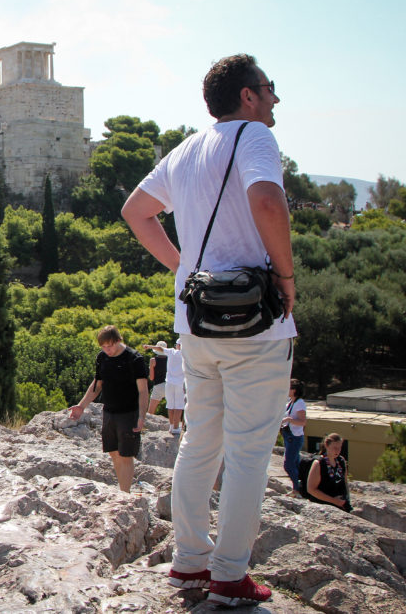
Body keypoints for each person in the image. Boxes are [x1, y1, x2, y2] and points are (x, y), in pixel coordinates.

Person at [121, 53, 296, 607]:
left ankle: (189, 562)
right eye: (269, 88)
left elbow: (135, 210)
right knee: (247, 453)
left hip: (196, 321)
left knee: (200, 441)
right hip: (256, 324)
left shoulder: (188, 149)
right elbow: (267, 200)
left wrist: (181, 268)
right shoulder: (256, 137)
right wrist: (287, 277)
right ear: (247, 96)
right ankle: (229, 575)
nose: (274, 99)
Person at [68, 326, 149, 493]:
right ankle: (122, 490)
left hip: (129, 412)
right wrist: (81, 406)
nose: (107, 350)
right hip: (109, 411)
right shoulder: (102, 358)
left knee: (126, 455)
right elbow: (97, 385)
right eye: (103, 347)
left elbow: (143, 390)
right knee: (113, 452)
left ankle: (125, 494)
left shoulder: (134, 359)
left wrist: (142, 416)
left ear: (118, 341)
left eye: (110, 346)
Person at [144, 340, 186, 434]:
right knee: (179, 406)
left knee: (169, 405)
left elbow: (151, 377)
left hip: (167, 383)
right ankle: (176, 427)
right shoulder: (186, 354)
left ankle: (170, 427)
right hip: (179, 383)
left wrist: (149, 346)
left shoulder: (171, 352)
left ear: (178, 345)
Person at [305, 432, 351, 512]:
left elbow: (345, 482)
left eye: (339, 448)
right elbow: (311, 489)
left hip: (341, 505)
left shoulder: (341, 461)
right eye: (334, 448)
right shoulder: (319, 464)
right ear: (327, 445)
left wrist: (346, 499)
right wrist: (334, 501)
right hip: (322, 507)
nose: (337, 451)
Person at [280, 380, 307, 496]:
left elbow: (303, 421)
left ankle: (297, 489)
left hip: (294, 437)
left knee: (289, 464)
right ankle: (298, 487)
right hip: (288, 436)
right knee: (295, 463)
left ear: (294, 390)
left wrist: (289, 420)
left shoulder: (299, 403)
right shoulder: (290, 402)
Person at [146, 340, 168, 416]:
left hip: (158, 386)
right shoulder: (170, 359)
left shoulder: (153, 360)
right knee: (174, 408)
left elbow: (151, 378)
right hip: (170, 385)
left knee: (150, 412)